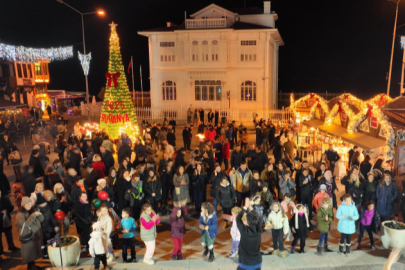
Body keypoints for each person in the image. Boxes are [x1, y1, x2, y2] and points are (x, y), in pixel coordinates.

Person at [16, 197, 44, 270]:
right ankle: (30, 267)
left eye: (30, 204)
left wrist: (38, 212)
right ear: (23, 205)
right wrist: (33, 215)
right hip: (27, 235)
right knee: (29, 252)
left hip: (34, 235)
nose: (29, 205)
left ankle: (32, 266)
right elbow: (24, 224)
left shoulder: (31, 211)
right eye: (27, 204)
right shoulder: (20, 214)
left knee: (33, 251)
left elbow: (41, 219)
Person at [0, 190, 19, 255]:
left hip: (6, 220)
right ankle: (0, 250)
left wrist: (6, 210)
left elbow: (11, 207)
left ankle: (11, 246)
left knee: (8, 234)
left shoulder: (5, 199)